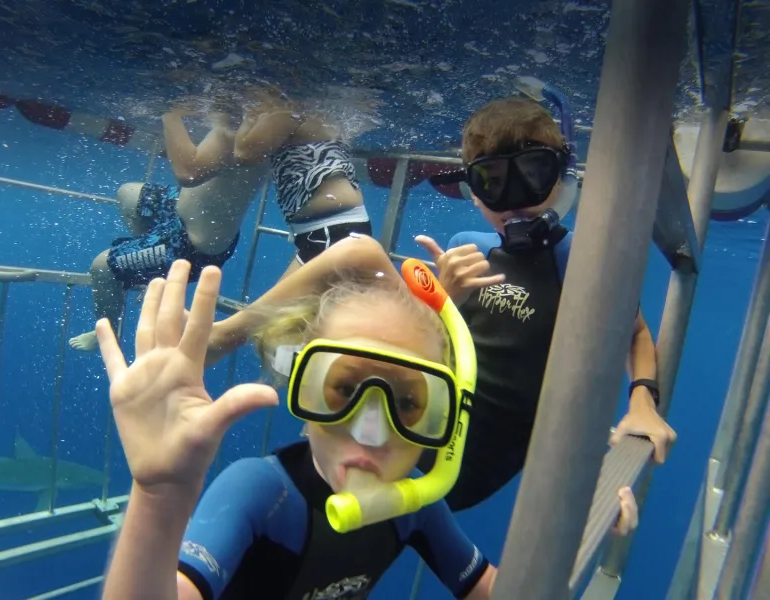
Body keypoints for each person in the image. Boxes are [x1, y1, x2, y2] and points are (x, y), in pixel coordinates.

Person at [202, 94, 677, 514]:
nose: (514, 199)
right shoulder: (464, 248)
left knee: (358, 257)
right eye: (493, 180)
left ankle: (269, 347)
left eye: (532, 173)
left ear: (559, 177)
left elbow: (631, 331)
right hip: (407, 419)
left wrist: (642, 405)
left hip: (458, 466)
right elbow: (431, 349)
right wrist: (443, 297)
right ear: (473, 192)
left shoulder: (582, 260)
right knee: (356, 257)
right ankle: (243, 343)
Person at [96, 258, 638, 600]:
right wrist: (159, 496)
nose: (373, 432)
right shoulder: (260, 492)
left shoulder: (415, 506)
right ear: (303, 398)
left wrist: (581, 528)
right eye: (344, 389)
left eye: (407, 402)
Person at [69, 108, 266, 352]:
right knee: (128, 193)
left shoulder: (247, 135)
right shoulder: (246, 122)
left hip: (188, 244)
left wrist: (170, 114)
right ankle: (148, 272)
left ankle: (106, 332)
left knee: (101, 267)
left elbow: (187, 172)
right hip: (185, 212)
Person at [232, 87, 372, 278]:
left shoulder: (286, 113)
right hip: (336, 227)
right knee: (307, 306)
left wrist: (249, 116)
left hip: (329, 230)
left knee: (276, 308)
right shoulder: (317, 115)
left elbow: (243, 154)